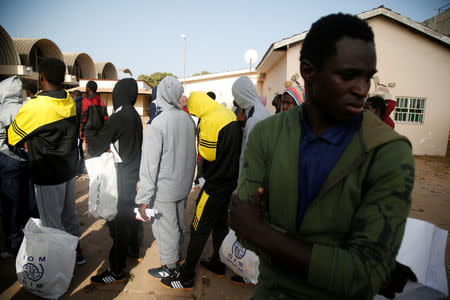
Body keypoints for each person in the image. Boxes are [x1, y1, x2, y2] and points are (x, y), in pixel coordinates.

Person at [229, 13, 415, 300]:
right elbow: (241, 228)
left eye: (367, 76)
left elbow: (365, 274)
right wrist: (340, 259)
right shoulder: (267, 134)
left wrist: (264, 233)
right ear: (308, 70)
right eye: (347, 74)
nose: (361, 89)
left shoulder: (388, 151)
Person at [161, 92, 242, 290]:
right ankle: (218, 263)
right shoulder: (227, 113)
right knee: (220, 225)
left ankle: (186, 276)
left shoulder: (209, 121)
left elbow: (206, 154)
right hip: (229, 184)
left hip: (214, 186)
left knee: (198, 228)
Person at [7, 58, 85, 264]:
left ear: (42, 77)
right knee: (69, 216)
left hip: (47, 173)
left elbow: (13, 137)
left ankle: (60, 266)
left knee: (51, 224)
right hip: (68, 170)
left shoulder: (35, 106)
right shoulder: (69, 100)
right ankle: (77, 253)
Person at [135, 76, 196, 279]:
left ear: (160, 94)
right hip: (182, 185)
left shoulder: (157, 124)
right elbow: (190, 155)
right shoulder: (187, 119)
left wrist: (143, 199)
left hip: (164, 189)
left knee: (165, 229)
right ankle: (176, 255)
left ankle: (170, 269)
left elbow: (149, 167)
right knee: (178, 224)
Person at [87, 78, 143, 285]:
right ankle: (133, 249)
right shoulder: (135, 115)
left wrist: (90, 129)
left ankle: (117, 270)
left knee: (119, 224)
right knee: (130, 217)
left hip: (120, 176)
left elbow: (96, 146)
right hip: (133, 175)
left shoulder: (119, 116)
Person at [228, 75, 271, 285]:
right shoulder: (258, 112)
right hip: (259, 180)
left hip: (251, 182)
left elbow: (249, 157)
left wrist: (241, 186)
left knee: (248, 227)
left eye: (236, 96)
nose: (236, 102)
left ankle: (249, 273)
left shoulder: (255, 118)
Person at [0, 76, 37, 259]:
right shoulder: (26, 108)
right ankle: (31, 238)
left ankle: (14, 243)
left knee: (12, 204)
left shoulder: (4, 110)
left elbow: (9, 141)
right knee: (29, 200)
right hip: (28, 162)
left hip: (8, 162)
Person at [80, 80, 108, 146]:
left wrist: (80, 130)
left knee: (87, 153)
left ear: (88, 88)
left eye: (86, 87)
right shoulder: (101, 103)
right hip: (99, 133)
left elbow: (83, 118)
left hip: (88, 133)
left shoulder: (85, 101)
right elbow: (106, 119)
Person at [71, 90, 85, 175]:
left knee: (75, 150)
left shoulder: (74, 105)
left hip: (76, 131)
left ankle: (76, 169)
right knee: (81, 150)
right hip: (82, 130)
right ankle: (81, 168)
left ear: (74, 96)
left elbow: (75, 120)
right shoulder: (84, 103)